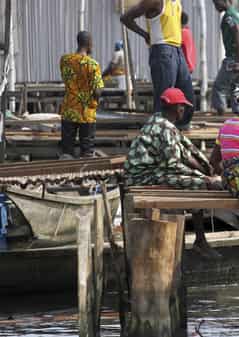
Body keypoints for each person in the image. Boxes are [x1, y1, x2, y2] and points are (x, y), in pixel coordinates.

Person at [124, 88, 222, 257]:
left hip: (154, 170)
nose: (183, 110)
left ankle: (200, 240)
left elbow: (184, 152)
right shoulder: (164, 128)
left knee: (200, 179)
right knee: (201, 185)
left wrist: (203, 167)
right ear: (176, 107)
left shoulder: (159, 120)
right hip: (143, 178)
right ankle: (200, 240)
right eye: (181, 106)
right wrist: (204, 177)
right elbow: (173, 165)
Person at [121, 0, 194, 129]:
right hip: (162, 49)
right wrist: (144, 34)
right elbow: (126, 18)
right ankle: (159, 132)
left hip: (177, 49)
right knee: (165, 96)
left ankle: (180, 129)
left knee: (187, 95)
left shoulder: (177, 2)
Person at [59, 31, 104, 159]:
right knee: (87, 151)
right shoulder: (92, 64)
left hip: (69, 109)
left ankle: (64, 174)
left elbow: (67, 78)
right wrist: (96, 99)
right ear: (89, 44)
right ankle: (86, 175)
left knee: (67, 150)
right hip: (86, 112)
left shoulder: (65, 60)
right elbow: (97, 90)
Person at [211, 0, 239, 115]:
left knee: (219, 87)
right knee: (237, 88)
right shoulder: (233, 13)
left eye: (216, 3)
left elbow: (238, 35)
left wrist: (238, 62)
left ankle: (221, 115)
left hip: (233, 58)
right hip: (238, 57)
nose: (215, 6)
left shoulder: (229, 16)